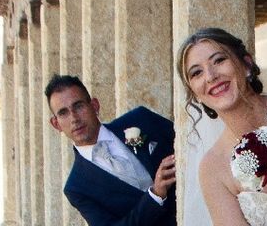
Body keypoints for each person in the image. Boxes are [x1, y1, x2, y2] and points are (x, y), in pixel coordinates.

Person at [176, 28, 267, 226]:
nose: (210, 76)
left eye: (219, 60)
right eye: (197, 73)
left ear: (247, 64)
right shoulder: (213, 168)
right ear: (195, 94)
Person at [44, 74, 177, 226]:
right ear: (56, 124)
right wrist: (155, 195)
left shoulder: (141, 119)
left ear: (94, 106)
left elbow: (189, 142)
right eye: (63, 113)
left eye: (78, 106)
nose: (74, 118)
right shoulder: (77, 187)